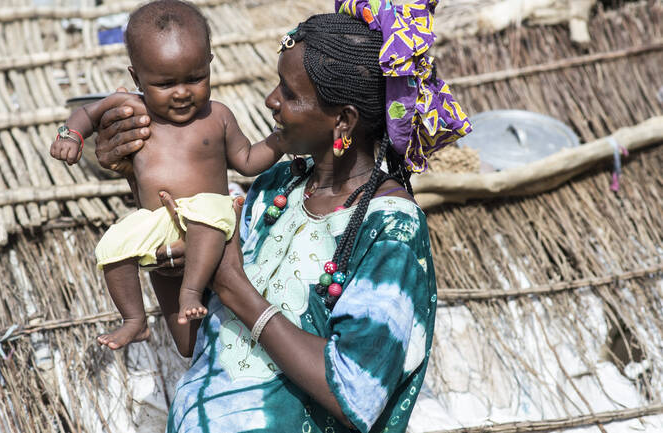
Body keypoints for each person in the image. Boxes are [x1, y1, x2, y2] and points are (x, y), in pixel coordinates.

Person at [89, 1, 470, 431]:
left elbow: (356, 395)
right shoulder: (273, 192)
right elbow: (189, 340)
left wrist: (236, 289)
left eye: (288, 92)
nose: (271, 101)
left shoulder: (390, 228)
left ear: (342, 120)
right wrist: (157, 221)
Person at [49, 0, 283, 348]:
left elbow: (247, 160)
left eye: (195, 78)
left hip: (209, 217)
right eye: (164, 83)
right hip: (158, 223)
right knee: (114, 248)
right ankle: (134, 319)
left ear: (210, 65)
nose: (182, 93)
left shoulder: (217, 116)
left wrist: (281, 140)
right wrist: (71, 135)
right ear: (136, 78)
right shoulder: (129, 107)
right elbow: (86, 112)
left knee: (206, 216)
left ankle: (192, 291)